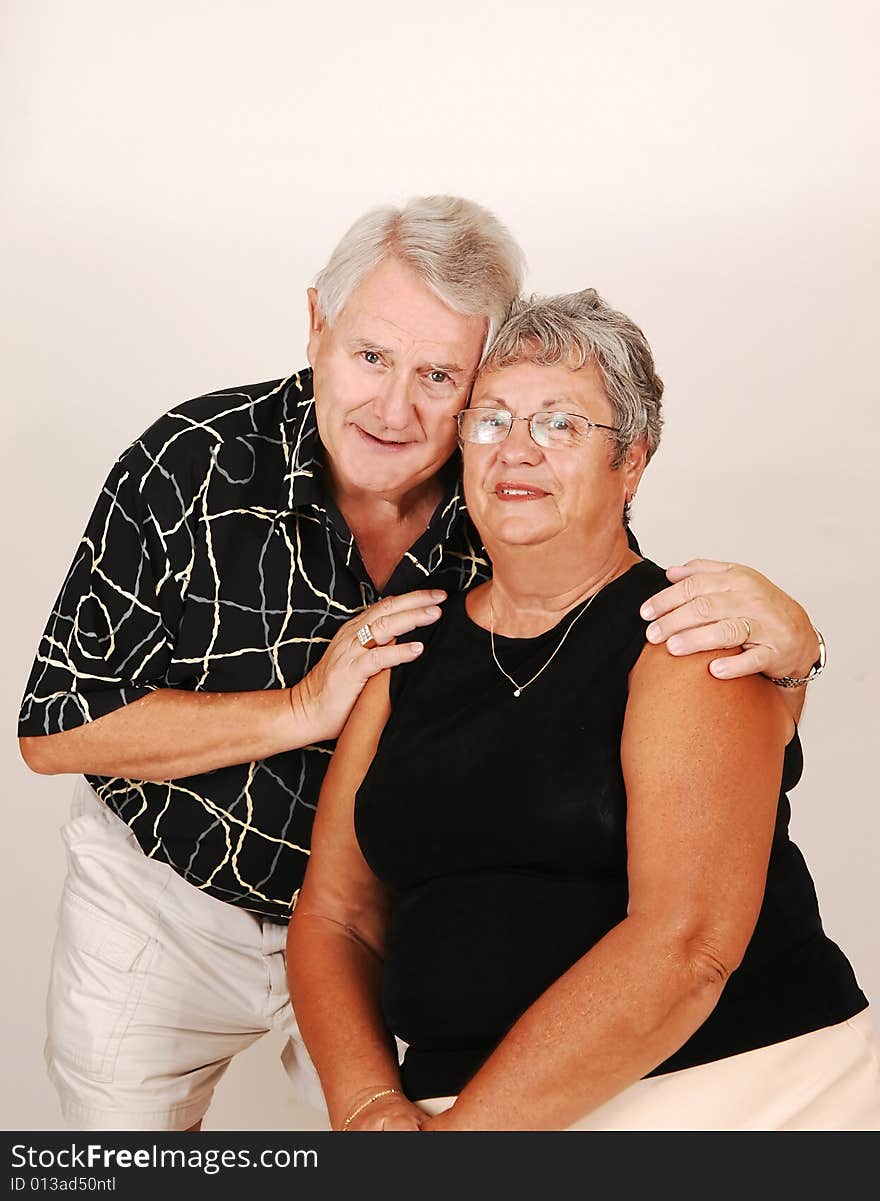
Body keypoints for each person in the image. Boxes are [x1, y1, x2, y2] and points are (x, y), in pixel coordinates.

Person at [19, 197, 824, 1132]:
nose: (396, 409)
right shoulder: (190, 463)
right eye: (370, 357)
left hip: (380, 931)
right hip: (169, 901)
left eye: (441, 374)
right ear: (318, 323)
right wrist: (305, 705)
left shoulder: (506, 493)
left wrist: (797, 660)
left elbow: (640, 692)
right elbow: (55, 726)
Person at [287, 289, 879, 1131]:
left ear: (631, 459)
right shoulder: (408, 652)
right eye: (490, 420)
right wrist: (371, 1105)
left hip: (731, 1091)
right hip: (456, 1111)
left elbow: (687, 948)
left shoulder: (687, 634)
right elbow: (335, 915)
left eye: (561, 424)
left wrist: (461, 1147)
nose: (516, 451)